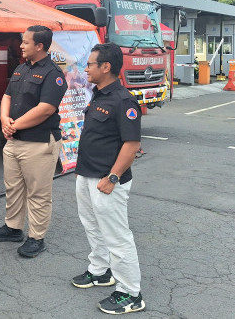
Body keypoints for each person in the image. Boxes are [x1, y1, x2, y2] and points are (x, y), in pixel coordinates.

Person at [71, 43, 146, 315]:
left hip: (107, 181)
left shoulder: (123, 100)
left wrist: (112, 177)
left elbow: (131, 144)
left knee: (117, 236)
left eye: (90, 64)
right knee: (92, 226)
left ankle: (130, 293)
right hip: (87, 175)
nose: (86, 68)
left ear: (106, 67)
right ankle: (100, 271)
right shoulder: (99, 94)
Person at [0, 25, 67, 258]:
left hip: (39, 143)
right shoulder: (22, 68)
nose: (20, 46)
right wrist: (3, 119)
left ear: (39, 46)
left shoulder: (53, 74)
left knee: (38, 193)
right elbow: (8, 96)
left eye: (25, 42)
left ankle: (36, 237)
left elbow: (46, 109)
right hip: (14, 141)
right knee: (13, 188)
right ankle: (13, 228)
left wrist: (14, 125)